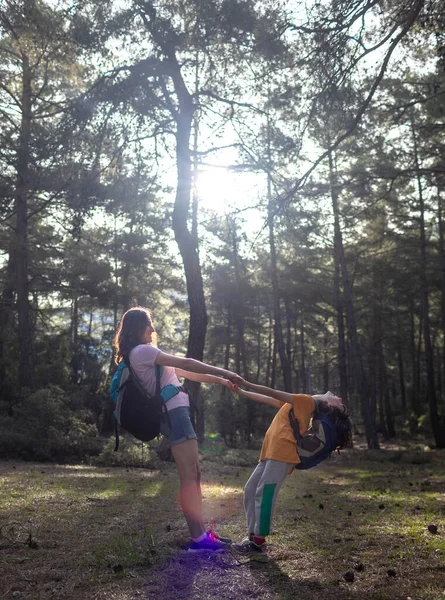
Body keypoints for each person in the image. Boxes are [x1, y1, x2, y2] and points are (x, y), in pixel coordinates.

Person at [112, 306, 242, 552]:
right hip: (173, 415)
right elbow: (187, 361)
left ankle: (203, 534)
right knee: (189, 477)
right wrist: (226, 371)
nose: (153, 329)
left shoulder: (149, 356)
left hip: (178, 413)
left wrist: (222, 381)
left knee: (194, 474)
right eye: (149, 324)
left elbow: (188, 372)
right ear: (139, 328)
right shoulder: (142, 352)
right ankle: (198, 539)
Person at [232, 381, 352, 553]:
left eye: (339, 402)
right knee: (250, 489)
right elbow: (268, 399)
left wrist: (245, 383)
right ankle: (252, 536)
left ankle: (259, 540)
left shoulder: (307, 401)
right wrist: (243, 392)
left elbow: (272, 392)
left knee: (266, 492)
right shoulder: (303, 405)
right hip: (270, 450)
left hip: (283, 450)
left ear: (329, 406)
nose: (339, 397)